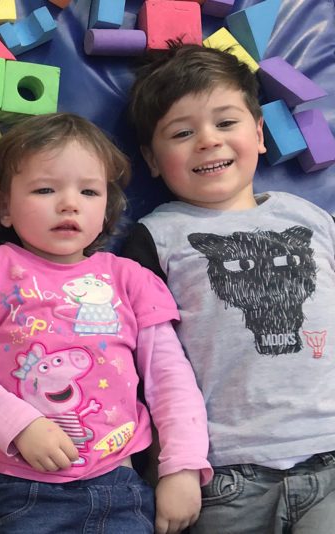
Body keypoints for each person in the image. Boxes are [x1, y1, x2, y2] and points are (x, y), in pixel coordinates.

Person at [0, 113, 212, 534]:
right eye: (45, 189)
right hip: (22, 490)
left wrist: (181, 466)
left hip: (120, 486)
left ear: (106, 208)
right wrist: (21, 426)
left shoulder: (130, 280)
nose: (69, 203)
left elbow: (170, 377)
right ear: (4, 207)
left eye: (89, 191)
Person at [122, 43, 335, 533]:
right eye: (182, 132)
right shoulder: (157, 236)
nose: (207, 141)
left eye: (225, 123)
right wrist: (168, 463)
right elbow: (144, 357)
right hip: (226, 471)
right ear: (153, 160)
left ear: (259, 134)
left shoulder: (309, 218)